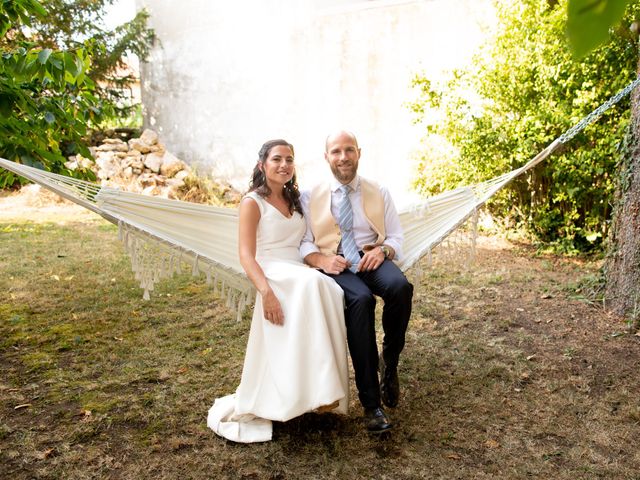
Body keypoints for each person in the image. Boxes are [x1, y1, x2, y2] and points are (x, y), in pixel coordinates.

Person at [207, 139, 349, 443]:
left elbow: (306, 241)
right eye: (277, 159)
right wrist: (266, 291)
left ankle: (319, 390)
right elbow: (246, 255)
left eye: (289, 159)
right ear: (262, 165)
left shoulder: (294, 199)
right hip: (270, 268)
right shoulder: (252, 202)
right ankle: (316, 390)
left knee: (331, 289)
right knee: (312, 284)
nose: (284, 165)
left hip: (296, 266)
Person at [300, 130, 413, 433]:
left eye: (349, 150)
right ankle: (371, 405)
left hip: (370, 258)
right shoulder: (310, 196)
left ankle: (389, 360)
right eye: (336, 151)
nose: (343, 157)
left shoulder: (379, 191)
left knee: (400, 287)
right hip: (337, 265)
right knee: (361, 301)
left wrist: (384, 249)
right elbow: (304, 243)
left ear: (359, 153)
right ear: (327, 157)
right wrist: (322, 261)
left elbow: (396, 236)